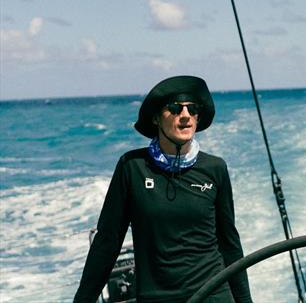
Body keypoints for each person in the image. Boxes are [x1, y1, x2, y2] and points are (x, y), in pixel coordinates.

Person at [74, 76, 252, 303]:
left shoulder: (215, 168)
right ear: (156, 118)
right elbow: (107, 243)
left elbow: (229, 244)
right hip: (157, 297)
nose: (185, 116)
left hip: (213, 293)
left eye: (192, 109)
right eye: (175, 108)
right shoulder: (132, 167)